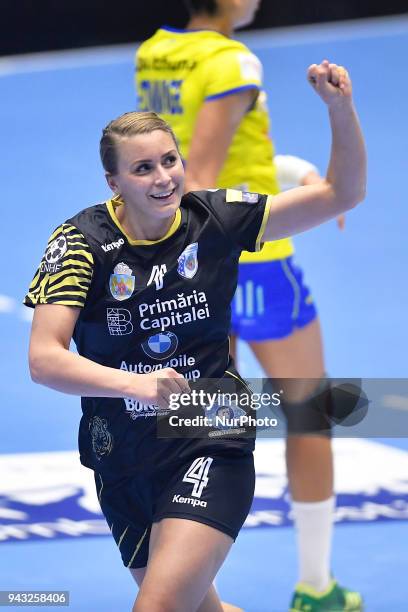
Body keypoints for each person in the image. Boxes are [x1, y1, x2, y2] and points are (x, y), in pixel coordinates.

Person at [25, 60, 365, 612]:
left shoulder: (217, 219)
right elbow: (43, 359)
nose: (163, 179)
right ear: (113, 183)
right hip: (120, 455)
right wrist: (137, 386)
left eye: (170, 161)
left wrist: (339, 109)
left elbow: (342, 194)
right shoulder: (79, 243)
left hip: (211, 429)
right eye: (142, 169)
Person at [136, 2, 360, 609]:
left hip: (189, 274)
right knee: (310, 411)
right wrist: (303, 192)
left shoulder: (156, 53)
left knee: (193, 433)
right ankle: (317, 588)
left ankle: (194, 596)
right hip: (252, 264)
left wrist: (292, 170)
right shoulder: (235, 60)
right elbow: (201, 178)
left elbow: (190, 167)